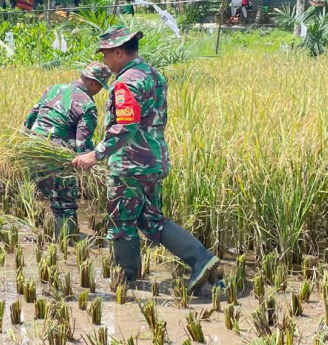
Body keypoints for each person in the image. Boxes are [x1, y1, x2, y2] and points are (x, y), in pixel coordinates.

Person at [72, 26, 219, 292]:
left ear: (118, 52)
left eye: (105, 54)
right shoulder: (153, 74)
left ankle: (126, 281)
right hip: (153, 160)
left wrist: (95, 155)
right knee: (149, 219)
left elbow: (125, 125)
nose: (104, 60)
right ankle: (201, 259)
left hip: (130, 164)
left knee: (122, 223)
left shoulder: (126, 82)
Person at [24, 62, 113, 239]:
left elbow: (29, 119)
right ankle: (68, 242)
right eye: (100, 88)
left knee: (55, 199)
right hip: (57, 154)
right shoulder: (87, 105)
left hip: (33, 150)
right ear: (94, 83)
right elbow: (81, 143)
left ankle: (60, 240)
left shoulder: (52, 89)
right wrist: (94, 162)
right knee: (65, 202)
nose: (98, 92)